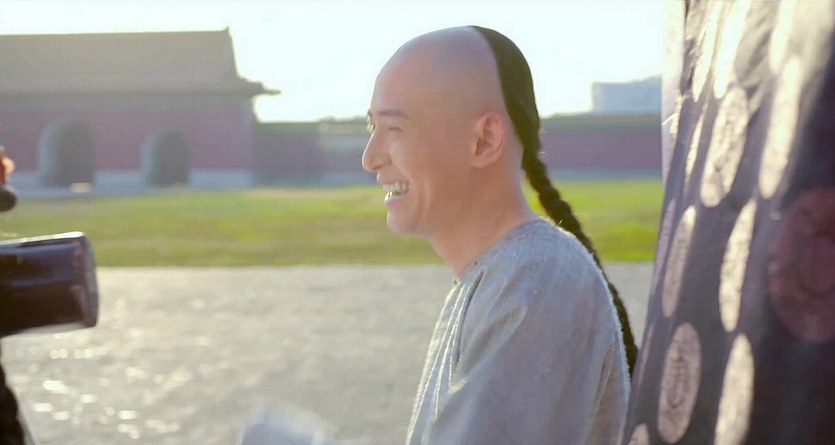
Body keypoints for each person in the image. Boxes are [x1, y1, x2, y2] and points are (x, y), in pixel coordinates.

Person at [362, 26, 636, 445]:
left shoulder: (538, 281)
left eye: (394, 129)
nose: (370, 158)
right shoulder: (505, 274)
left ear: (484, 140)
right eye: (372, 128)